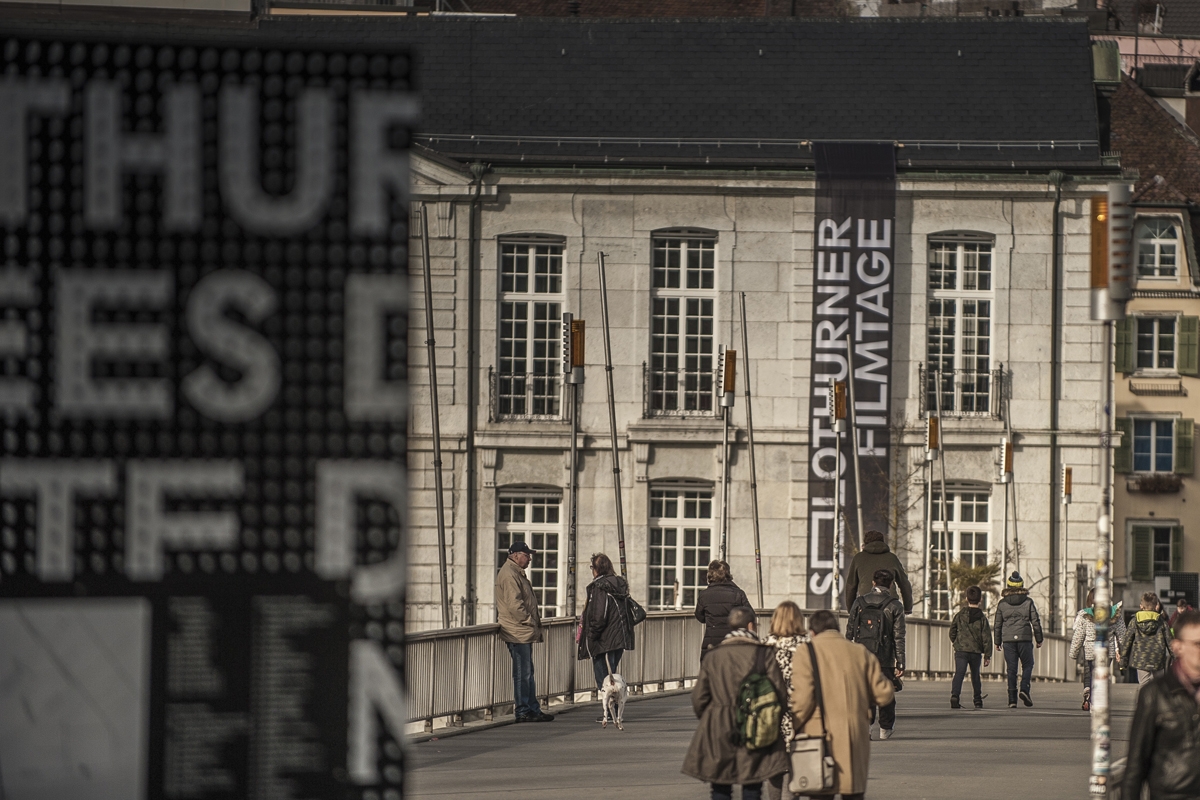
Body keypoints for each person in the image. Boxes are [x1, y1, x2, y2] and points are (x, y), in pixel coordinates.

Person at [682, 607, 789, 800]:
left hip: (719, 725)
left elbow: (699, 698)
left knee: (720, 785)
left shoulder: (714, 656)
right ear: (751, 626)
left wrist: (712, 717)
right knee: (753, 784)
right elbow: (780, 695)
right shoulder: (764, 654)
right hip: (755, 725)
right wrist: (770, 721)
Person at [790, 610, 895, 800]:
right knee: (852, 790)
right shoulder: (860, 652)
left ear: (812, 632)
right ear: (837, 628)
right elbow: (884, 693)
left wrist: (792, 728)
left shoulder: (806, 652)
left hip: (819, 735)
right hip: (854, 734)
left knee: (821, 790)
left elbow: (802, 699)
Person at [1121, 609, 1200, 800]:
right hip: (1172, 794)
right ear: (1178, 647)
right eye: (1197, 644)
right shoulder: (1155, 694)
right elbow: (1136, 763)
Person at [495, 541, 553, 723]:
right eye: (527, 555)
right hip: (517, 631)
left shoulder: (515, 572)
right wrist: (529, 621)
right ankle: (523, 711)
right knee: (523, 673)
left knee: (527, 672)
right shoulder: (510, 574)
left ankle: (532, 708)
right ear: (516, 555)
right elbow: (515, 605)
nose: (530, 559)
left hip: (521, 630)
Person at [846, 568, 905, 739]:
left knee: (865, 691)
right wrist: (900, 662)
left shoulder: (859, 602)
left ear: (873, 583)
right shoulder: (895, 605)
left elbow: (850, 631)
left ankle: (866, 726)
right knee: (885, 691)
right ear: (891, 584)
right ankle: (885, 728)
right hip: (885, 657)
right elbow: (899, 636)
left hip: (861, 655)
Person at [763, 601, 809, 800]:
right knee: (795, 768)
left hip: (771, 715)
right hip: (800, 714)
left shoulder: (765, 647)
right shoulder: (807, 647)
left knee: (774, 769)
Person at [578, 552, 636, 690]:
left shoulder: (600, 586)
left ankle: (608, 701)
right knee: (612, 674)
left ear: (597, 569)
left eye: (592, 567)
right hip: (618, 637)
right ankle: (614, 700)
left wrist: (591, 636)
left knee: (604, 680)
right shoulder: (618, 584)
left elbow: (599, 615)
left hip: (604, 639)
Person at [993, 571, 1043, 708]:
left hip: (1008, 640)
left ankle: (1012, 700)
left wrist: (997, 642)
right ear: (1021, 585)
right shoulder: (1028, 602)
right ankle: (1024, 689)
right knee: (1028, 664)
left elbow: (997, 624)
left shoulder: (1002, 604)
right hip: (1024, 638)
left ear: (1008, 586)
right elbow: (1035, 622)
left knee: (1011, 669)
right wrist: (1039, 638)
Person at [695, 560, 754, 659]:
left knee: (711, 667)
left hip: (711, 641)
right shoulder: (738, 593)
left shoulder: (704, 595)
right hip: (733, 641)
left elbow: (699, 617)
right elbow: (750, 615)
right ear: (728, 574)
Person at [844, 530, 914, 614]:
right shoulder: (892, 558)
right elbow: (904, 584)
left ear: (865, 544)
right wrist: (907, 608)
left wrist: (851, 610)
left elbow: (851, 586)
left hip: (866, 604)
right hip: (890, 604)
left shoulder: (858, 558)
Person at [948, 585, 991, 709]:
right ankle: (977, 700)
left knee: (959, 673)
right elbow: (986, 637)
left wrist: (956, 642)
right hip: (975, 651)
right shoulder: (982, 618)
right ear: (980, 599)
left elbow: (952, 631)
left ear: (966, 598)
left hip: (961, 650)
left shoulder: (959, 615)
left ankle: (955, 695)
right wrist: (987, 655)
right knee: (975, 675)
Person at [1121, 591, 1173, 685]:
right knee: (1159, 686)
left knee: (1144, 685)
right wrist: (1176, 659)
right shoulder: (1162, 622)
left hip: (1141, 660)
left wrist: (1123, 662)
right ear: (1156, 606)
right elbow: (1171, 643)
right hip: (1158, 660)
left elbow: (1126, 642)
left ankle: (1144, 695)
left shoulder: (1134, 621)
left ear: (1141, 606)